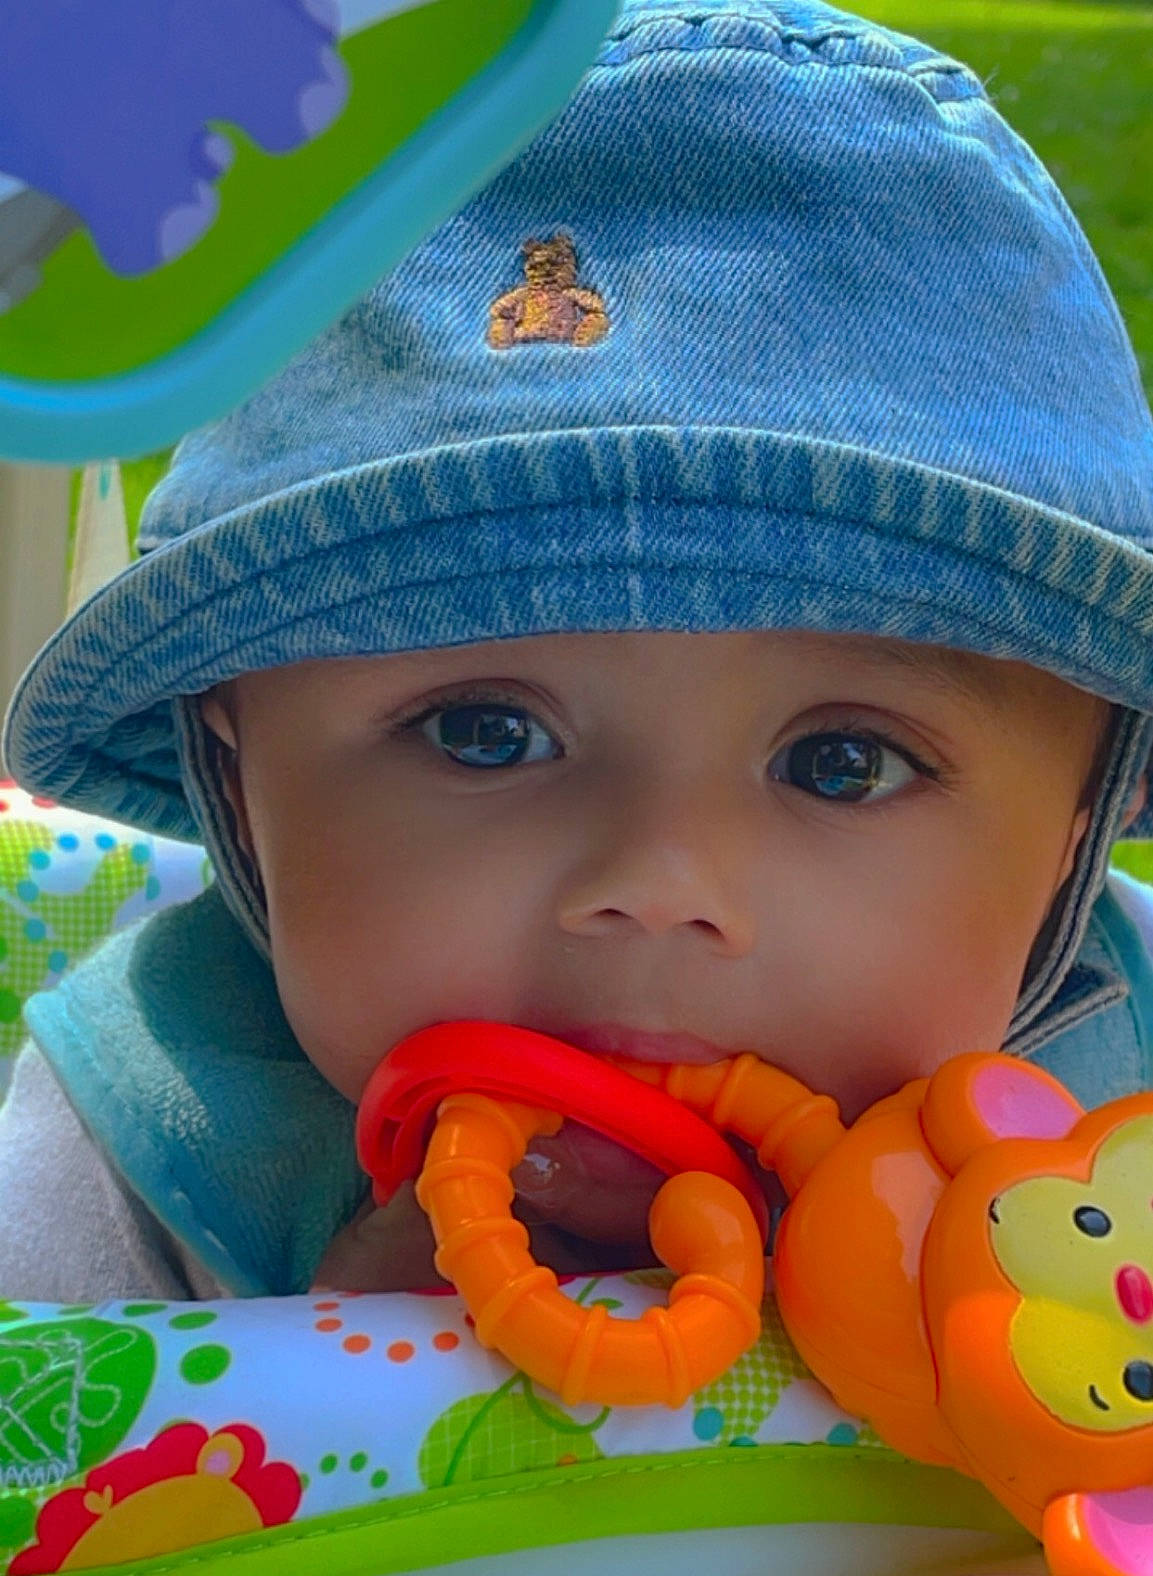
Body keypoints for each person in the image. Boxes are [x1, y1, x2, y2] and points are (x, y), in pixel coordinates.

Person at [2, 0, 1152, 1304]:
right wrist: (307, 1407)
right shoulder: (133, 1146)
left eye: (842, 762)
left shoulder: (1119, 1121)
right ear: (237, 750)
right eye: (484, 732)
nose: (657, 882)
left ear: (1083, 816)